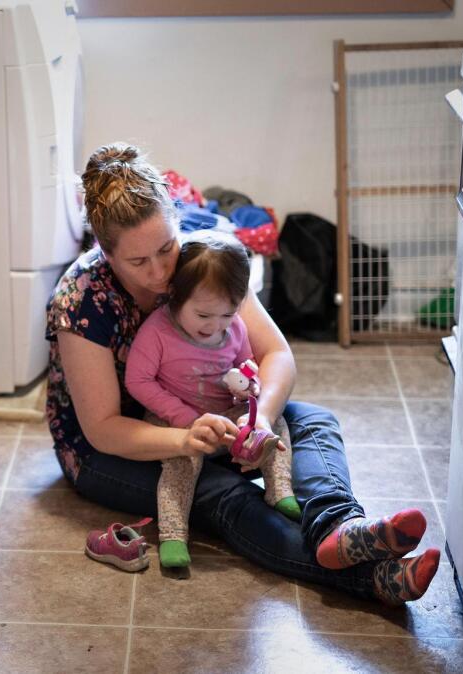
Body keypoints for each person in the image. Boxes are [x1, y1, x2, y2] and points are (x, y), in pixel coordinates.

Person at [46, 142, 439, 603]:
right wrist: (186, 438)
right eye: (137, 262)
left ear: (177, 222)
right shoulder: (80, 300)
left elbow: (277, 355)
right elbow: (102, 430)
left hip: (210, 413)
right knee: (222, 492)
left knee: (311, 422)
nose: (158, 273)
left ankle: (341, 527)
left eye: (166, 248)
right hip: (116, 450)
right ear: (103, 251)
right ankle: (369, 577)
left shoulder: (199, 260)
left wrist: (262, 419)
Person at [123, 231, 297, 570]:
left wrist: (248, 390)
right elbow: (137, 381)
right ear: (175, 296)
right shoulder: (158, 333)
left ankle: (280, 489)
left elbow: (247, 365)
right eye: (203, 316)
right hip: (175, 417)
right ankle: (173, 535)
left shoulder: (235, 329)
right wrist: (184, 419)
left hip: (223, 412)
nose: (216, 326)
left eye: (227, 315)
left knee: (276, 422)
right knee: (180, 464)